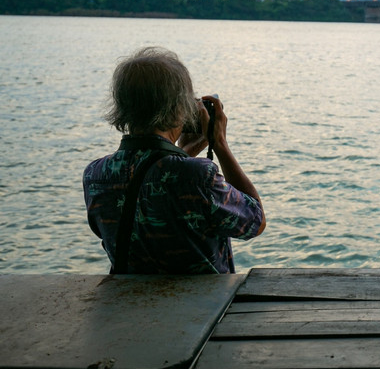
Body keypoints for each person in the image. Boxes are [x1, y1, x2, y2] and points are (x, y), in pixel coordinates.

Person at [83, 47, 265, 274]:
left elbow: (149, 187)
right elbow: (254, 222)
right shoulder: (198, 176)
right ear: (178, 108)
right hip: (202, 298)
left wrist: (183, 152)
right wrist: (219, 143)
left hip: (129, 296)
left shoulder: (95, 175)